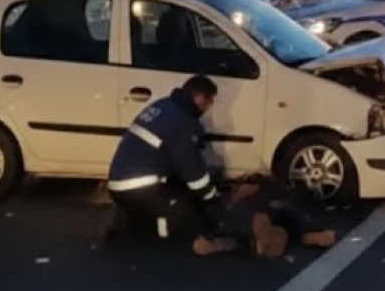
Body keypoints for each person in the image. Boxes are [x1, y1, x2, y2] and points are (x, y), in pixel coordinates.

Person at [106, 75, 288, 258]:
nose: (208, 108)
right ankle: (142, 227)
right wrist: (212, 199)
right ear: (200, 98)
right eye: (209, 103)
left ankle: (130, 217)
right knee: (193, 218)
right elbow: (192, 172)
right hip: (141, 190)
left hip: (122, 184)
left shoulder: (164, 106)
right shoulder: (181, 123)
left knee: (189, 199)